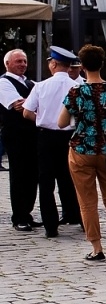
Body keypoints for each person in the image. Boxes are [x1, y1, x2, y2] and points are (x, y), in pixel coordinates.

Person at [60, 44, 106, 261]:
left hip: (82, 149)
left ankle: (97, 248)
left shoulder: (77, 91)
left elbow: (61, 123)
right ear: (102, 64)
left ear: (81, 67)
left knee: (87, 202)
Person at [23, 46, 83, 237]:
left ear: (54, 64)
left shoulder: (40, 86)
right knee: (73, 178)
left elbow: (26, 112)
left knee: (46, 182)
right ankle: (80, 218)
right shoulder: (77, 87)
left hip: (46, 136)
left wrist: (42, 120)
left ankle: (51, 226)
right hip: (70, 136)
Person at [2, 48, 39, 231]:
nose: (23, 65)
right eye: (18, 61)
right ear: (7, 63)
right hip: (16, 135)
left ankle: (28, 212)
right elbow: (18, 105)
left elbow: (38, 102)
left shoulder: (31, 83)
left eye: (24, 61)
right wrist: (35, 103)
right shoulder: (3, 82)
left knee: (33, 176)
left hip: (33, 135)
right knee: (18, 175)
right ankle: (19, 217)